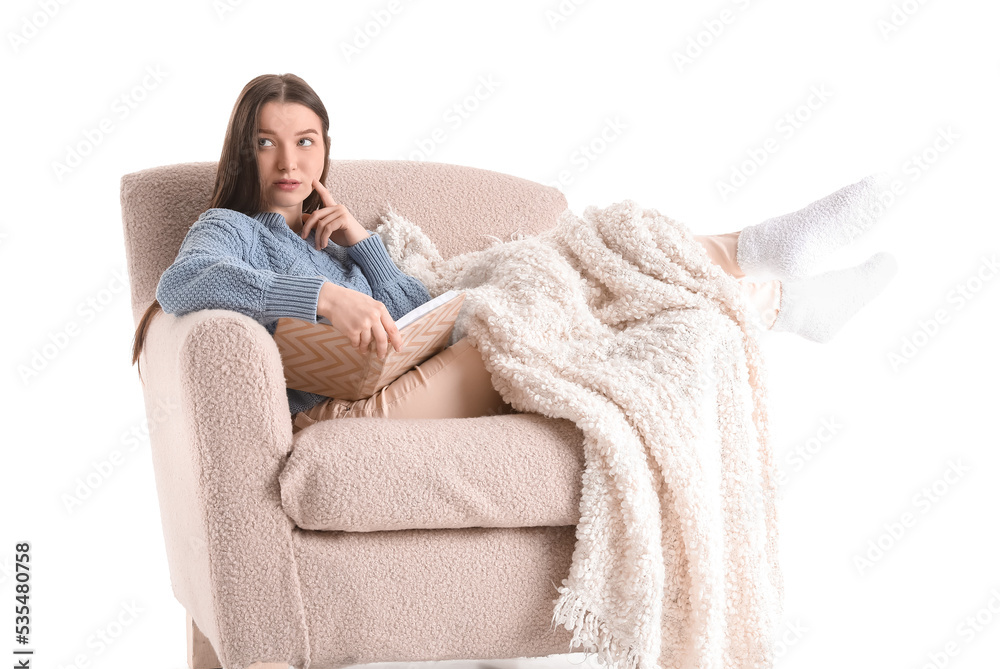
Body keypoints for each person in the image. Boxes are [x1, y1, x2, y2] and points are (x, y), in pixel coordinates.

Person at [130, 73, 897, 437]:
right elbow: (186, 280)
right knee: (533, 302)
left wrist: (364, 252)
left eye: (306, 142)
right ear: (246, 150)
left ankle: (771, 283)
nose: (289, 162)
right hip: (346, 412)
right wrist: (323, 298)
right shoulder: (229, 228)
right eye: (269, 143)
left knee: (586, 257)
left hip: (410, 370)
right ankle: (769, 277)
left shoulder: (330, 237)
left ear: (326, 151)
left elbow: (406, 320)